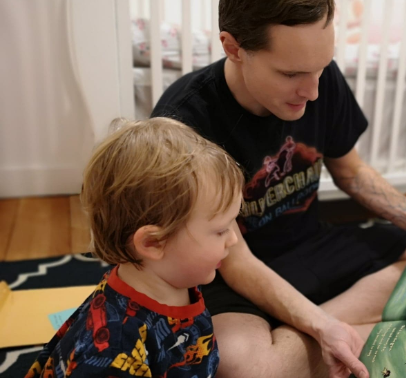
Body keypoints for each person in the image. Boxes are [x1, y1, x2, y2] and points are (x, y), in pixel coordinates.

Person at [152, 1, 406, 377]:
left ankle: (318, 339)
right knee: (244, 367)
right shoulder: (184, 124)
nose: (312, 92)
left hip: (313, 246)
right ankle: (389, 330)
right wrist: (319, 325)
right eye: (291, 73)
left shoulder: (319, 77)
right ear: (234, 48)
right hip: (237, 272)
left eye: (321, 68)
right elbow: (237, 261)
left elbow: (351, 172)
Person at [25, 118, 244, 377]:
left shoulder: (173, 275)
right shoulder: (113, 351)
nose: (233, 240)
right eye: (220, 230)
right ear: (153, 243)